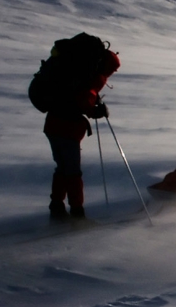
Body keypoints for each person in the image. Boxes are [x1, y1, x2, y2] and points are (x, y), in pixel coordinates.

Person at [42, 36, 120, 220]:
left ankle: (57, 205)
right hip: (67, 129)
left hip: (53, 125)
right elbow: (84, 101)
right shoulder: (94, 76)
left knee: (62, 168)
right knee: (73, 171)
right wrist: (97, 111)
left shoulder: (78, 71)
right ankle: (77, 211)